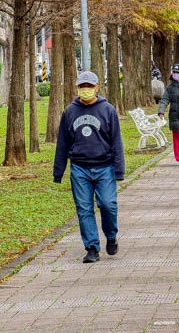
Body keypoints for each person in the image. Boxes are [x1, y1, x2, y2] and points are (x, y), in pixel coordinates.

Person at [53, 70, 125, 263]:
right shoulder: (70, 112)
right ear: (77, 88)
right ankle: (92, 247)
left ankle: (111, 236)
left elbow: (116, 141)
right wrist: (58, 171)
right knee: (84, 209)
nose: (86, 90)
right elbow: (62, 143)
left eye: (89, 86)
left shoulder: (107, 110)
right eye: (82, 86)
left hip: (105, 167)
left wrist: (119, 170)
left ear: (97, 88)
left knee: (108, 205)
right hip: (79, 168)